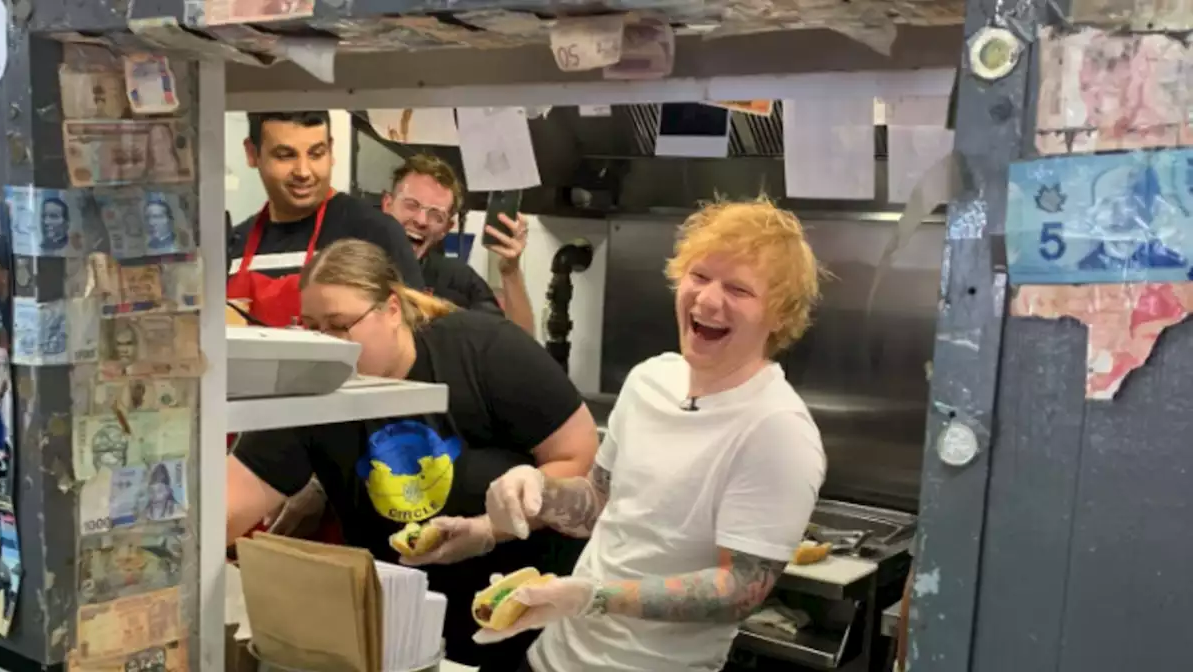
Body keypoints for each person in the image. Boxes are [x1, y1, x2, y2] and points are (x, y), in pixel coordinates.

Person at [476, 199, 828, 671]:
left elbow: (740, 589)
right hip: (552, 658)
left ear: (780, 315)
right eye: (699, 276)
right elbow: (598, 505)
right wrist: (537, 490)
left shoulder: (778, 430)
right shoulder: (649, 379)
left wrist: (593, 596)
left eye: (739, 289)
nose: (706, 300)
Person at [227, 239, 598, 671]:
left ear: (390, 309)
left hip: (524, 626)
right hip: (399, 634)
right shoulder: (314, 384)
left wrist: (489, 527)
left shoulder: (483, 350)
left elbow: (580, 459)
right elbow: (232, 498)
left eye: (340, 325)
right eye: (310, 327)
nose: (325, 343)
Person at [227, 110, 424, 328]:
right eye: (285, 155)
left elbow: (416, 338)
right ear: (252, 153)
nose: (303, 171)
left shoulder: (374, 233)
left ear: (331, 150)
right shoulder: (232, 245)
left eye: (316, 154)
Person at [382, 154, 535, 334]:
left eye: (436, 215)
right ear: (387, 204)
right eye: (411, 205)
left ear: (446, 228)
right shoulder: (350, 262)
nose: (421, 220)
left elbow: (519, 346)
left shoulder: (459, 282)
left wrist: (511, 271)